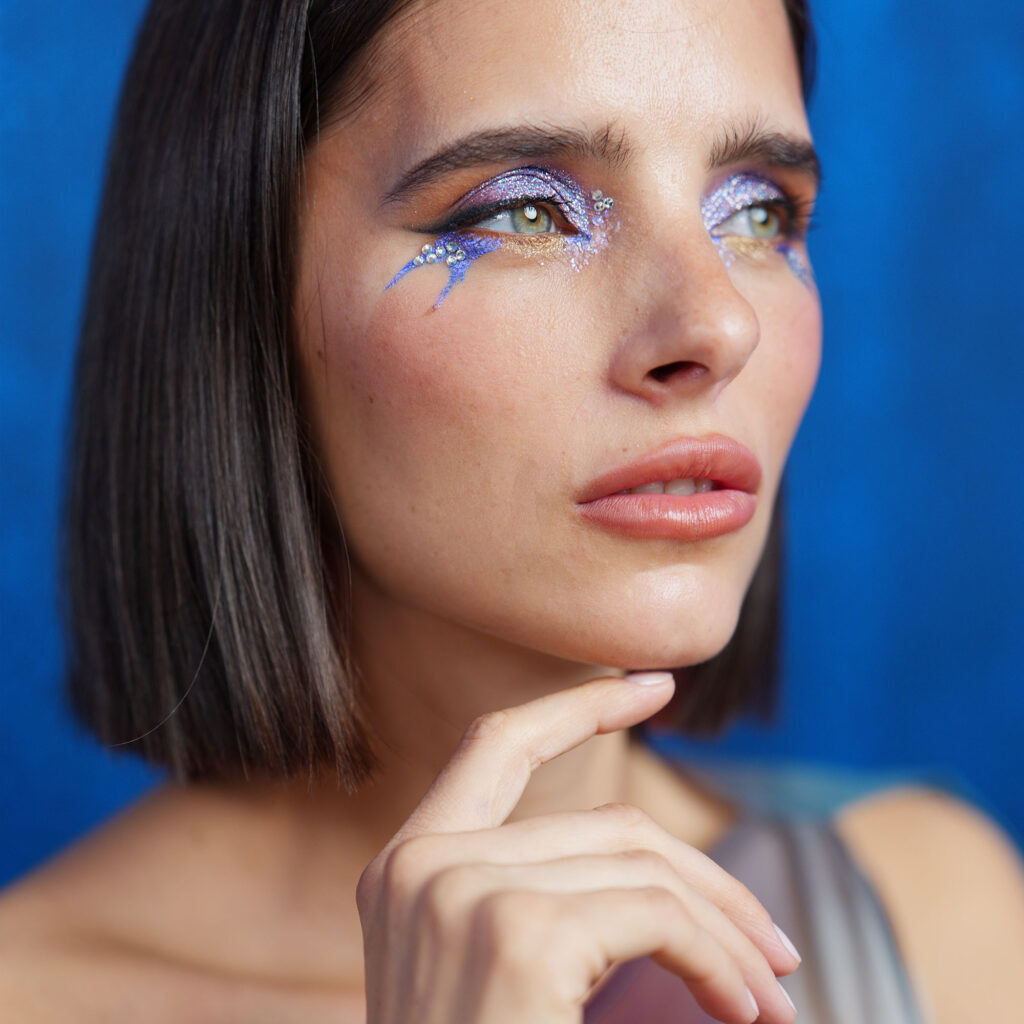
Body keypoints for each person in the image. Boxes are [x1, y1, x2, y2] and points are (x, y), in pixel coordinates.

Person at [1, 0, 1022, 1021]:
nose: (717, 323)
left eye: (757, 209)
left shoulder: (929, 912)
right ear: (236, 289)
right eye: (524, 211)